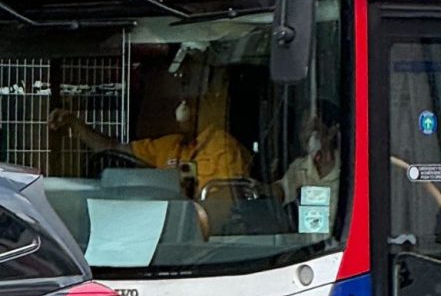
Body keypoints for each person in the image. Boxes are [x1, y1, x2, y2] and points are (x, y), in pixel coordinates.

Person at [50, 75, 250, 193]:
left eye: (189, 103)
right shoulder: (170, 145)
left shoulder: (222, 148)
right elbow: (111, 149)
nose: (182, 110)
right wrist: (74, 124)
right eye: (180, 102)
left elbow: (219, 203)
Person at [278, 103, 342, 205]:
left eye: (313, 129)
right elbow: (281, 190)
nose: (306, 135)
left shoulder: (347, 169)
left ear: (332, 131)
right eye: (303, 129)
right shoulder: (299, 167)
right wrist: (261, 189)